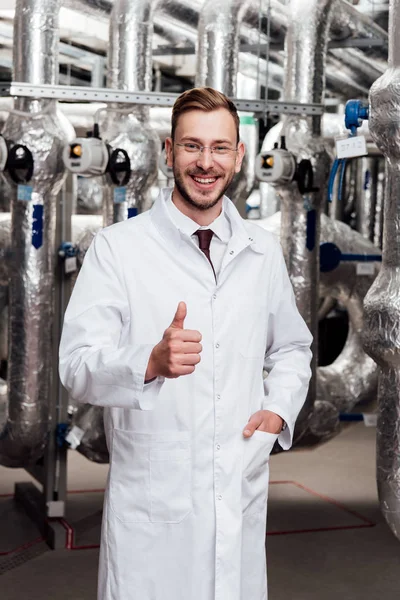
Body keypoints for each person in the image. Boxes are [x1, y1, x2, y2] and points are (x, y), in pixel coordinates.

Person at [59, 86, 312, 600]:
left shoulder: (261, 251)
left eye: (220, 148)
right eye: (192, 146)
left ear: (239, 157)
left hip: (237, 486)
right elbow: (76, 366)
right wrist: (147, 363)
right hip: (152, 514)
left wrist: (279, 410)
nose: (206, 163)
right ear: (169, 152)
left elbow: (291, 348)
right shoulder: (118, 250)